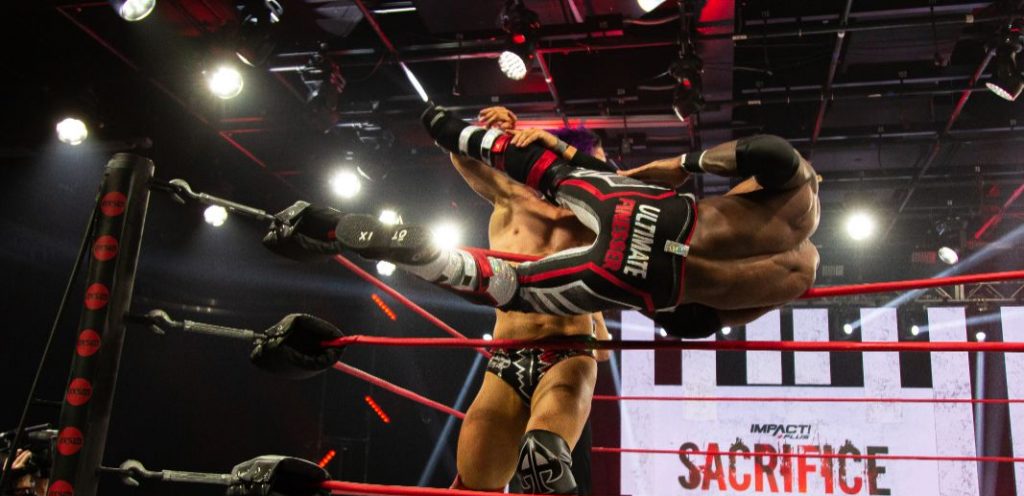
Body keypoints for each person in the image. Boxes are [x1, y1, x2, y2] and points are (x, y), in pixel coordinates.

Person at [330, 103, 819, 339]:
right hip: (625, 288)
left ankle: (443, 145)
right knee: (515, 285)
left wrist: (682, 164)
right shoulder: (794, 266)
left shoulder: (555, 191)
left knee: (548, 191)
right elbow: (698, 324)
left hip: (602, 275)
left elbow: (594, 176)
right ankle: (434, 260)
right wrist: (652, 302)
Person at [422, 114, 611, 496]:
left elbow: (626, 187)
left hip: (568, 353)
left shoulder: (598, 214)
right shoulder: (509, 197)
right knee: (472, 484)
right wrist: (497, 126)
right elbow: (459, 149)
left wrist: (566, 151)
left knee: (544, 460)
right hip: (507, 354)